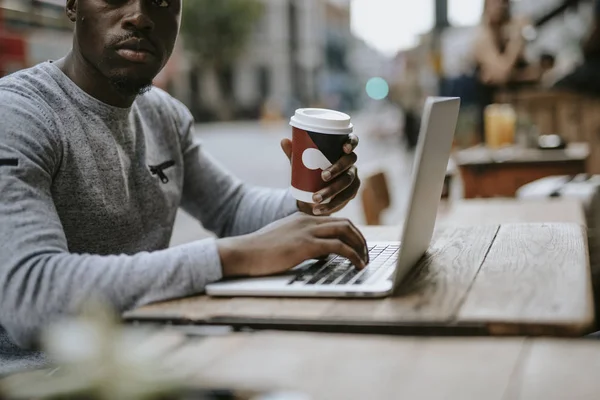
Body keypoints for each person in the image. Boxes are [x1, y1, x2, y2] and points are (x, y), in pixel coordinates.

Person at [0, 0, 367, 375]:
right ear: (74, 5)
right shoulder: (17, 114)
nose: (140, 16)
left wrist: (311, 198)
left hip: (148, 363)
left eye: (161, 1)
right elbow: (28, 295)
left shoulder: (163, 114)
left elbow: (231, 208)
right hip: (46, 382)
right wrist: (234, 256)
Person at [472, 0, 541, 141]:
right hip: (493, 117)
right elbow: (503, 72)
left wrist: (513, 75)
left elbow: (534, 73)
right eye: (495, 3)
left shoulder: (508, 36)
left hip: (518, 111)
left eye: (503, 3)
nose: (499, 7)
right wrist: (517, 39)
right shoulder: (481, 38)